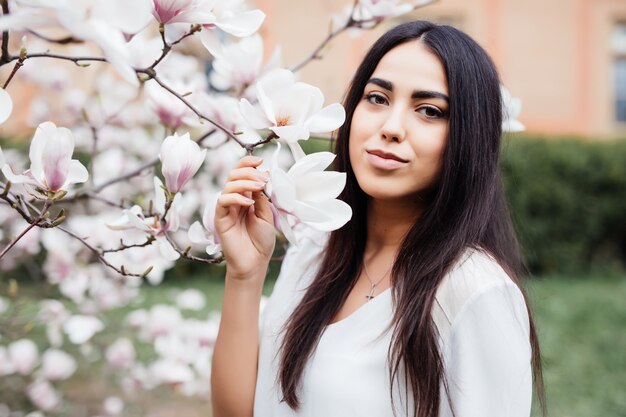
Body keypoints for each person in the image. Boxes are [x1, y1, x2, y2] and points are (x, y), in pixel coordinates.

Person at [211, 20, 546, 417]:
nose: (390, 128)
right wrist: (245, 276)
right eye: (377, 98)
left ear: (468, 137)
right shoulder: (315, 252)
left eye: (429, 111)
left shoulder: (474, 292)